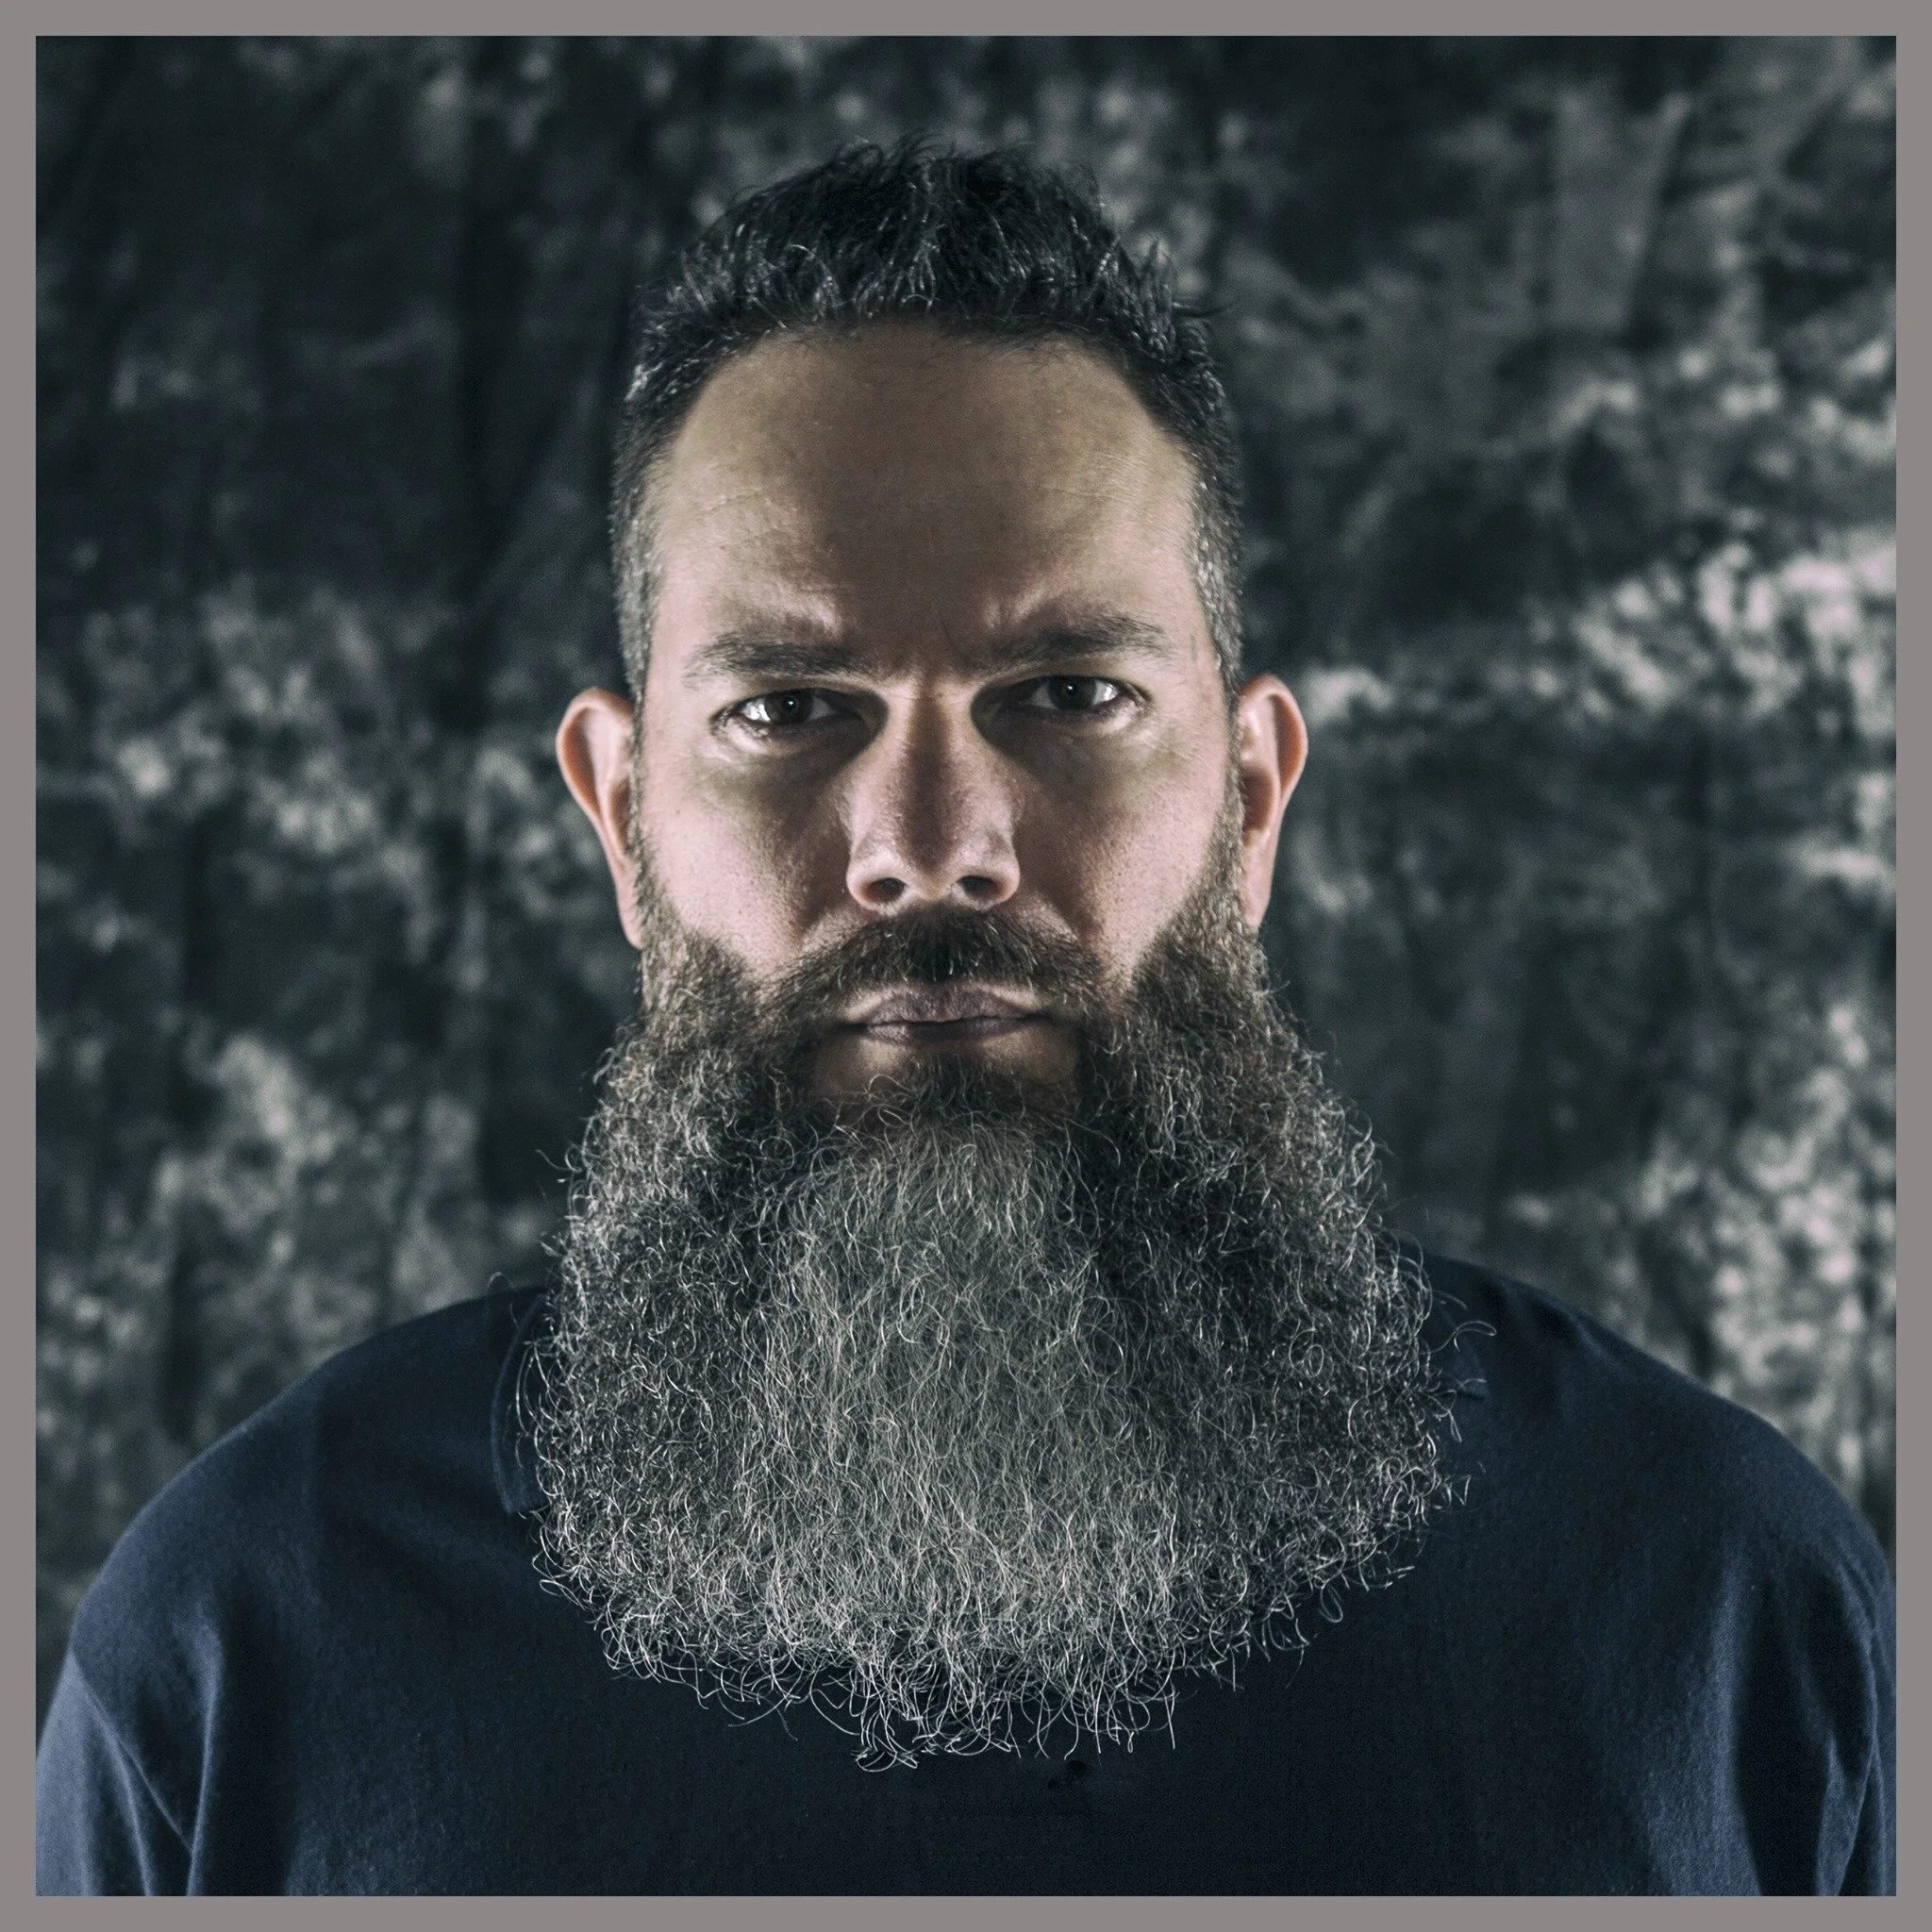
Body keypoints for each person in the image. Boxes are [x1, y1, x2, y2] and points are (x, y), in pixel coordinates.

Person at [37, 142, 1893, 1897]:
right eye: (790, 709)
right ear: (621, 818)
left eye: (1067, 692)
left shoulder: (1714, 1601)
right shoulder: (247, 1636)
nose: (933, 851)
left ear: (1250, 800)